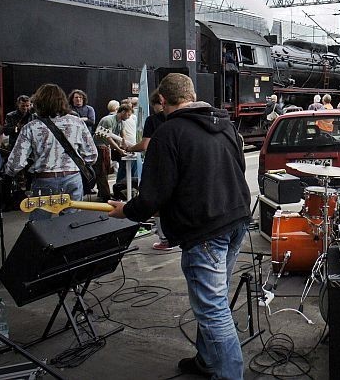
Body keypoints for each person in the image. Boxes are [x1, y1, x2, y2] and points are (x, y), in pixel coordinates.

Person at [107, 73, 250, 379]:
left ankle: (229, 374)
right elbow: (238, 169)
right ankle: (207, 361)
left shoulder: (169, 134)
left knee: (212, 308)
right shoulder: (224, 125)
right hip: (236, 220)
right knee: (215, 298)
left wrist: (124, 211)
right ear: (192, 94)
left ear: (161, 101)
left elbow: (152, 197)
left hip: (206, 230)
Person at [4, 84, 97, 220]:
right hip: (73, 179)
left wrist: (8, 174)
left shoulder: (31, 127)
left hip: (44, 180)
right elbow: (92, 155)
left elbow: (16, 163)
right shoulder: (77, 122)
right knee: (71, 224)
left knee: (40, 226)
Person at [125, 90, 170, 250]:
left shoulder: (153, 120)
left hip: (159, 166)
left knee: (157, 203)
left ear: (159, 103)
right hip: (179, 166)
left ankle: (165, 240)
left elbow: (145, 145)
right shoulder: (182, 118)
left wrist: (131, 147)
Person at [94, 103, 133, 201]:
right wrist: (119, 150)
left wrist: (124, 146)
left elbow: (122, 135)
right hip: (100, 147)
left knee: (105, 171)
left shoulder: (121, 122)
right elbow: (108, 137)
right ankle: (105, 196)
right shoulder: (108, 120)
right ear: (123, 112)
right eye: (128, 115)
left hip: (106, 147)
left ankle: (102, 193)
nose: (128, 117)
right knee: (102, 172)